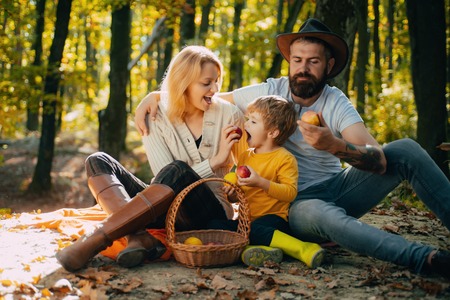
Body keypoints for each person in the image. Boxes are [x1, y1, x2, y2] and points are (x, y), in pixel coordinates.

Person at [134, 19, 450, 278]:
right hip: (295, 204)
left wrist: (336, 145)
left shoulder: (335, 102)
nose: (302, 68)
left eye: (312, 62)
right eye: (297, 60)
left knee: (405, 149)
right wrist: (157, 96)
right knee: (316, 212)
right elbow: (208, 94)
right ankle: (426, 259)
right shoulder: (270, 91)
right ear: (289, 61)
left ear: (329, 65)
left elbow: (379, 160)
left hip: (339, 187)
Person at [56, 45, 248, 272]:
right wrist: (213, 162)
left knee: (177, 169)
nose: (215, 89)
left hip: (208, 212)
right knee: (98, 160)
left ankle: (95, 240)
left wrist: (223, 169)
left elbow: (246, 167)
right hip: (165, 207)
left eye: (217, 80)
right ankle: (137, 236)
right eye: (206, 83)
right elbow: (162, 176)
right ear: (183, 83)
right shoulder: (155, 115)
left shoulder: (231, 115)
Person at [210, 95, 325, 269]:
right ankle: (262, 250)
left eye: (253, 122)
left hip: (274, 220)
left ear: (272, 133)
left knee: (257, 230)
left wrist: (261, 182)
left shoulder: (284, 158)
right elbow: (240, 196)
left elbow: (290, 192)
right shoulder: (245, 156)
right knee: (215, 225)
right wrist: (232, 195)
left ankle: (303, 249)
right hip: (246, 221)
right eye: (248, 119)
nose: (246, 124)